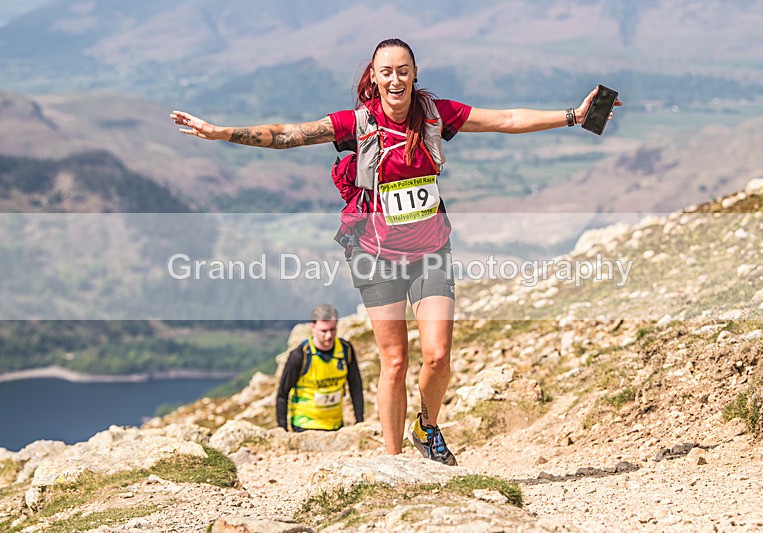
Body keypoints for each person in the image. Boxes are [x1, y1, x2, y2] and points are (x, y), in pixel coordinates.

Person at [171, 38, 621, 464]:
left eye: (403, 71)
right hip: (374, 254)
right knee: (394, 361)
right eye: (386, 72)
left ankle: (426, 428)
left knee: (438, 355)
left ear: (414, 74)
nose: (395, 79)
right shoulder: (357, 122)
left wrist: (573, 115)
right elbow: (288, 134)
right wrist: (222, 133)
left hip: (430, 251)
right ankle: (394, 463)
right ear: (374, 76)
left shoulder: (435, 114)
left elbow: (505, 120)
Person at [275, 304, 364, 432]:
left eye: (332, 330)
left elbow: (356, 386)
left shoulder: (345, 350)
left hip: (335, 426)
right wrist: (282, 429)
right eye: (324, 331)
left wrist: (359, 420)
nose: (328, 335)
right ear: (313, 327)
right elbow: (282, 393)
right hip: (305, 426)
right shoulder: (300, 355)